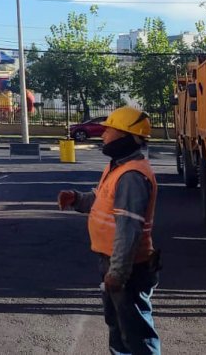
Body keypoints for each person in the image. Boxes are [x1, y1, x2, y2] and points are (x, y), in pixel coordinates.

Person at [58, 106, 161, 355]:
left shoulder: (132, 176)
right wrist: (76, 199)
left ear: (126, 136)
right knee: (119, 331)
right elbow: (101, 200)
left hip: (128, 269)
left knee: (136, 336)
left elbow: (129, 230)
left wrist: (118, 273)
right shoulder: (117, 168)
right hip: (113, 263)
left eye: (109, 130)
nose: (103, 135)